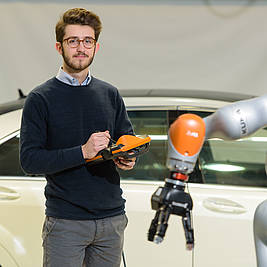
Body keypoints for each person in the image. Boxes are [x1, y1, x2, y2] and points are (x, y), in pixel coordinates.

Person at [19, 7, 135, 267]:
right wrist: (83, 152)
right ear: (59, 47)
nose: (81, 48)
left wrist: (127, 157)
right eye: (73, 41)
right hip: (66, 223)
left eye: (87, 41)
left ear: (96, 46)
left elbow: (126, 139)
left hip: (111, 219)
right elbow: (29, 160)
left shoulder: (110, 94)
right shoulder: (40, 99)